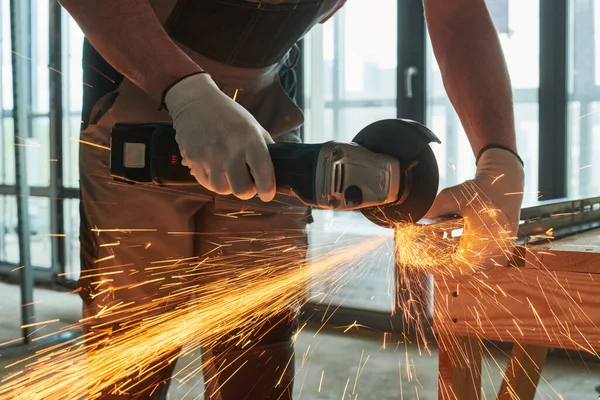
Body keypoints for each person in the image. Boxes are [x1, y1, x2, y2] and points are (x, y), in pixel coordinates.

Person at [59, 0, 524, 398]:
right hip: (136, 86)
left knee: (259, 342)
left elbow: (458, 11)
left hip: (268, 110)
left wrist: (501, 162)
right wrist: (186, 91)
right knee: (133, 346)